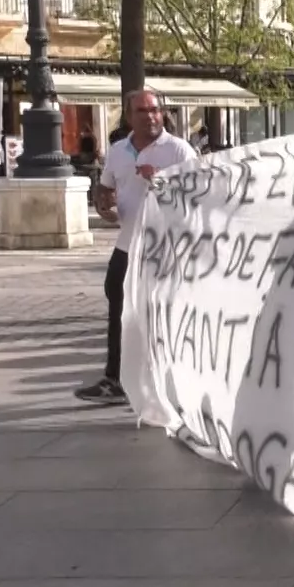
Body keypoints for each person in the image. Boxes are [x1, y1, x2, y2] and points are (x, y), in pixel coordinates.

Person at [75, 89, 197, 406]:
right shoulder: (118, 151)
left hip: (165, 249)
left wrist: (160, 181)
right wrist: (104, 205)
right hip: (128, 244)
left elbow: (198, 197)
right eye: (142, 111)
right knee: (118, 305)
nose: (151, 116)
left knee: (161, 314)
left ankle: (172, 379)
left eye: (155, 110)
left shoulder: (179, 150)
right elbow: (105, 190)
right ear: (129, 116)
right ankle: (114, 378)